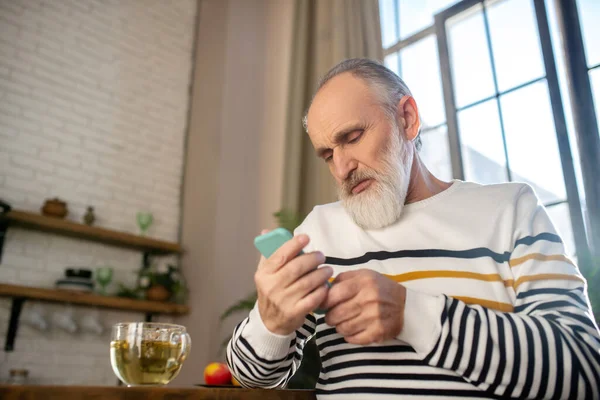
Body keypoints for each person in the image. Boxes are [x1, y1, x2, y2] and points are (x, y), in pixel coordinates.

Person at [226, 58, 600, 399]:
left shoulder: (511, 209)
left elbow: (584, 371)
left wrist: (413, 315)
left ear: (407, 118)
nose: (341, 169)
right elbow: (251, 378)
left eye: (352, 138)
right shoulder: (320, 230)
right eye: (327, 154)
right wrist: (271, 321)